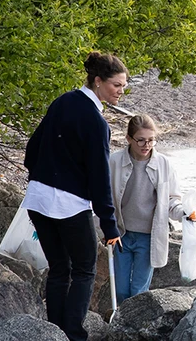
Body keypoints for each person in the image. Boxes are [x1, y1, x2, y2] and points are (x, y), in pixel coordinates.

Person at [23, 52, 126, 341]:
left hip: (37, 198)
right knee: (84, 269)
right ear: (98, 81)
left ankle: (54, 332)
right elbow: (99, 177)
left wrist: (43, 176)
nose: (121, 91)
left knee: (59, 269)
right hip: (68, 204)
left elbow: (31, 149)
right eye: (117, 85)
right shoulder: (96, 122)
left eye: (123, 86)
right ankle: (74, 334)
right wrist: (110, 226)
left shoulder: (62, 101)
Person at [108, 114, 196, 304]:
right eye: (140, 140)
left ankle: (132, 322)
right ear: (128, 138)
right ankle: (121, 319)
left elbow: (171, 200)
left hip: (149, 237)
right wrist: (103, 228)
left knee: (138, 291)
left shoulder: (164, 164)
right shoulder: (114, 161)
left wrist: (184, 213)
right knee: (120, 290)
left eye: (151, 140)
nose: (146, 145)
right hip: (121, 235)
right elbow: (103, 198)